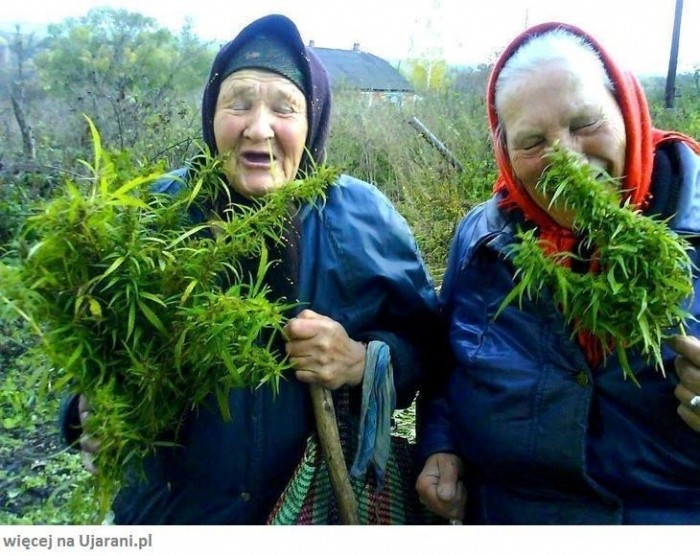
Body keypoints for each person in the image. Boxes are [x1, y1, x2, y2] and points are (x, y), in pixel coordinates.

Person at [60, 13, 442, 525]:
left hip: (315, 515)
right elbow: (91, 350)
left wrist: (359, 361)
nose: (258, 128)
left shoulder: (362, 219)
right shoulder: (150, 216)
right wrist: (85, 410)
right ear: (211, 114)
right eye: (238, 103)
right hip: (172, 516)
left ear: (313, 121)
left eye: (284, 108)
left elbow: (429, 350)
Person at [415, 22, 700, 525]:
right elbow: (445, 366)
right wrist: (441, 444)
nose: (566, 158)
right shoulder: (481, 242)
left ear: (627, 110)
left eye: (584, 122)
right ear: (505, 153)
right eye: (532, 141)